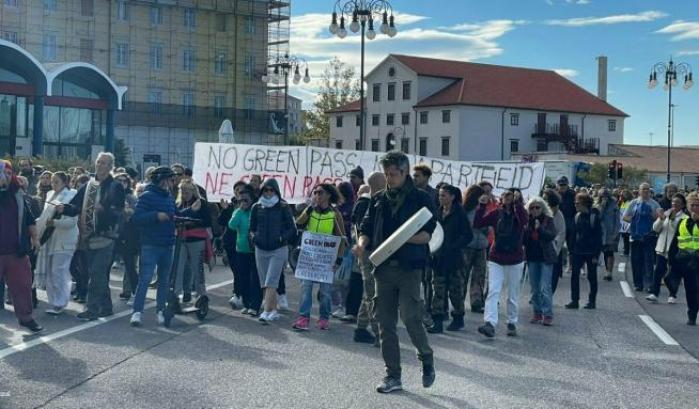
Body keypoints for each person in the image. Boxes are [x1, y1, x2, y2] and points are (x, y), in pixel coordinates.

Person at [354, 151, 436, 394]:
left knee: (411, 318)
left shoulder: (421, 198)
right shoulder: (378, 199)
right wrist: (361, 244)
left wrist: (403, 239)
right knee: (384, 323)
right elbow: (366, 227)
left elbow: (428, 235)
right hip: (382, 269)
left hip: (409, 268)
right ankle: (393, 375)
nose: (390, 179)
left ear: (405, 172)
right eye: (387, 174)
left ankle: (426, 357)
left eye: (394, 174)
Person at [58, 152, 126, 321]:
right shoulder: (88, 185)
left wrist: (105, 211)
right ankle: (107, 307)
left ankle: (92, 309)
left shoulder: (115, 186)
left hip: (107, 237)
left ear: (110, 167)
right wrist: (63, 208)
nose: (100, 166)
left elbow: (119, 212)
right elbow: (75, 205)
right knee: (98, 274)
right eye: (98, 162)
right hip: (88, 236)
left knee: (96, 273)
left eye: (104, 163)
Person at [129, 167, 200, 326]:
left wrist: (191, 211)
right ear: (161, 179)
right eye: (169, 179)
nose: (172, 182)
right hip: (150, 244)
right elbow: (137, 218)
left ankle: (160, 310)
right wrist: (155, 216)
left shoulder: (168, 197)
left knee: (164, 281)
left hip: (167, 244)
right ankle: (137, 312)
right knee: (145, 279)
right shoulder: (147, 196)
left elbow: (175, 215)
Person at [474, 189, 527, 338]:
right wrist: (482, 206)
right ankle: (490, 323)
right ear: (501, 199)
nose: (507, 197)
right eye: (504, 195)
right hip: (496, 257)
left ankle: (511, 322)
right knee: (493, 291)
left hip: (515, 259)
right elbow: (478, 223)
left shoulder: (520, 212)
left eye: (511, 195)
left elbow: (523, 221)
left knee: (512, 293)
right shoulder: (496, 213)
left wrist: (517, 203)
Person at [293, 183, 347, 331]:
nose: (317, 195)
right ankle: (303, 317)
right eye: (315, 192)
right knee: (306, 288)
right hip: (309, 258)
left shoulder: (335, 214)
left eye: (320, 192)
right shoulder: (310, 211)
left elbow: (341, 238)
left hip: (326, 260)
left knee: (325, 291)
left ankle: (324, 318)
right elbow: (298, 224)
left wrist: (339, 259)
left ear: (329, 195)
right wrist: (309, 208)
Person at [0, 160, 43, 332]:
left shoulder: (18, 196)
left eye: (9, 173)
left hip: (16, 252)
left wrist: (36, 238)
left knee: (23, 286)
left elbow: (29, 219)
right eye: (3, 173)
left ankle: (26, 318)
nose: (5, 177)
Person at [249, 178, 296, 323]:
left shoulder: (283, 207)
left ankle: (266, 311)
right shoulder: (256, 207)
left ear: (276, 191)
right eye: (265, 190)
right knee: (264, 282)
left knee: (271, 281)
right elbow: (252, 227)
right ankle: (273, 310)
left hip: (278, 249)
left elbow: (292, 229)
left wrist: (282, 238)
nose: (268, 193)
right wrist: (254, 238)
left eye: (271, 190)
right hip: (260, 248)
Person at [428, 184, 472, 333]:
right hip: (439, 258)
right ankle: (438, 321)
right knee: (438, 290)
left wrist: (453, 246)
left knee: (455, 291)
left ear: (452, 196)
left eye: (444, 195)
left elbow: (468, 235)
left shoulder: (460, 213)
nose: (441, 198)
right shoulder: (437, 213)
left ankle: (458, 318)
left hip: (454, 259)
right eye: (440, 195)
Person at [35, 171, 78, 315]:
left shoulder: (72, 195)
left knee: (58, 271)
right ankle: (54, 302)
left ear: (65, 182)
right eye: (52, 181)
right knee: (50, 272)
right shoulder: (49, 195)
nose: (53, 184)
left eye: (56, 181)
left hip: (65, 240)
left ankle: (60, 302)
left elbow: (72, 222)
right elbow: (43, 217)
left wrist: (54, 222)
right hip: (49, 240)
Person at [353, 173, 386, 345]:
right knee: (373, 295)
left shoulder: (373, 202)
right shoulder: (368, 204)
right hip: (370, 253)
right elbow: (364, 229)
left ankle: (361, 327)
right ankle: (379, 334)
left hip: (373, 252)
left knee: (369, 293)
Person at [173, 178, 212, 303]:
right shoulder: (179, 203)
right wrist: (189, 214)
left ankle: (201, 293)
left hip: (196, 239)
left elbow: (207, 221)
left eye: (187, 191)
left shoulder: (201, 203)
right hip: (181, 239)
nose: (184, 194)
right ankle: (175, 294)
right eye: (182, 191)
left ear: (193, 191)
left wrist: (191, 222)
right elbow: (176, 217)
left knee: (197, 268)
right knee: (178, 267)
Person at [227, 186, 262, 315]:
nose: (243, 202)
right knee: (244, 278)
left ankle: (255, 306)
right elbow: (231, 225)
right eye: (240, 200)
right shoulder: (238, 211)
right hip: (241, 250)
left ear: (252, 199)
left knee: (255, 279)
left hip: (255, 250)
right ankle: (247, 304)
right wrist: (239, 211)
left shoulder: (257, 210)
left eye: (246, 200)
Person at [523, 196, 558, 326]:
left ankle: (548, 314)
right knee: (535, 288)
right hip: (532, 257)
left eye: (537, 207)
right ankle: (537, 313)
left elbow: (551, 235)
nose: (535, 210)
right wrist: (528, 229)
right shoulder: (527, 221)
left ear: (542, 208)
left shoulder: (548, 220)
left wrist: (539, 229)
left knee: (545, 287)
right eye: (532, 208)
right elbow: (523, 239)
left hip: (546, 258)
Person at [647, 194, 687, 303]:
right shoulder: (665, 214)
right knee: (658, 271)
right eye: (673, 202)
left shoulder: (684, 218)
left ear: (682, 205)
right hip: (661, 248)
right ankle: (654, 293)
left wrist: (672, 218)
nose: (674, 204)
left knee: (672, 274)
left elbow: (676, 229)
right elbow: (655, 228)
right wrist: (661, 218)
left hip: (674, 250)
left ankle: (672, 294)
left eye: (677, 202)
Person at [566, 192, 603, 310]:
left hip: (591, 252)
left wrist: (596, 254)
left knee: (592, 277)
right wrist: (571, 251)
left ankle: (592, 302)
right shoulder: (577, 217)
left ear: (584, 204)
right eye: (575, 203)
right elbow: (573, 235)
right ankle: (574, 301)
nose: (575, 205)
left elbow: (599, 237)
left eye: (577, 203)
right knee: (574, 276)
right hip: (578, 251)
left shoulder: (594, 218)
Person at [623, 183, 661, 292]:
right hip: (635, 236)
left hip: (649, 236)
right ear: (639, 191)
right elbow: (625, 217)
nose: (645, 191)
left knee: (648, 261)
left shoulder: (654, 204)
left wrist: (651, 215)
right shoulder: (634, 203)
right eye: (643, 189)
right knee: (636, 261)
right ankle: (638, 284)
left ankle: (649, 284)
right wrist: (635, 219)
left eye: (647, 189)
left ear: (650, 191)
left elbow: (659, 219)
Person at [668, 192, 699, 325]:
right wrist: (672, 260)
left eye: (698, 205)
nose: (695, 208)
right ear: (687, 206)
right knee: (691, 290)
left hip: (698, 261)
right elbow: (675, 242)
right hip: (686, 262)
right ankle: (692, 314)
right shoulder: (682, 221)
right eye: (692, 205)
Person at [462, 184, 489, 313]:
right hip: (468, 246)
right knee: (464, 274)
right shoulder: (465, 210)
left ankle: (476, 301)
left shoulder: (484, 210)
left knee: (479, 275)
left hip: (481, 246)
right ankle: (459, 300)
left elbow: (487, 227)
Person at [543, 189, 566, 295]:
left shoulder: (559, 215)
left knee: (553, 274)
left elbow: (561, 234)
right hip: (541, 247)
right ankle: (539, 293)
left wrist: (555, 249)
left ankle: (549, 294)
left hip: (554, 248)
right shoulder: (540, 211)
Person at [596, 188, 621, 281]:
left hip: (611, 232)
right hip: (600, 233)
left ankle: (609, 272)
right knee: (598, 252)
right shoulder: (597, 205)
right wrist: (602, 206)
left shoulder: (614, 205)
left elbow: (617, 220)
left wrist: (616, 232)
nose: (604, 198)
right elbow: (598, 217)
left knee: (609, 253)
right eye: (602, 196)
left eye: (606, 196)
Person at [557, 176, 576, 272]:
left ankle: (570, 265)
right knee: (558, 245)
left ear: (567, 185)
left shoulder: (573, 194)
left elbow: (576, 209)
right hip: (559, 222)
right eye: (561, 185)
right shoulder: (555, 195)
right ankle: (558, 267)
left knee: (571, 246)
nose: (562, 187)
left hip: (570, 222)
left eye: (564, 185)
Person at [618, 189, 633, 256]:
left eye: (621, 195)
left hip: (627, 224)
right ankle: (626, 251)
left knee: (628, 239)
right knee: (625, 238)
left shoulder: (629, 203)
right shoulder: (623, 203)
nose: (620, 197)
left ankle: (628, 251)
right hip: (623, 224)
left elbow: (629, 214)